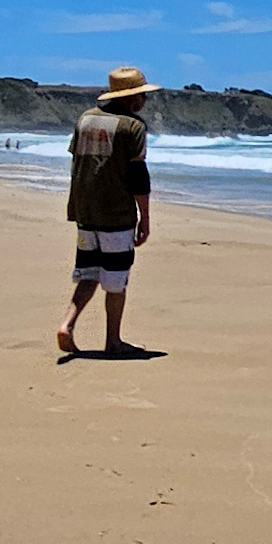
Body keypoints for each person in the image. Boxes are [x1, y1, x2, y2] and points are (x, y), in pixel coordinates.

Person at [57, 66, 157, 357]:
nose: (144, 101)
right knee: (116, 280)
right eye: (140, 96)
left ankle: (67, 324)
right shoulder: (133, 126)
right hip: (115, 214)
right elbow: (139, 177)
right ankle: (113, 340)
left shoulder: (85, 119)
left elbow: (78, 162)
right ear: (128, 98)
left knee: (89, 272)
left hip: (85, 210)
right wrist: (145, 219)